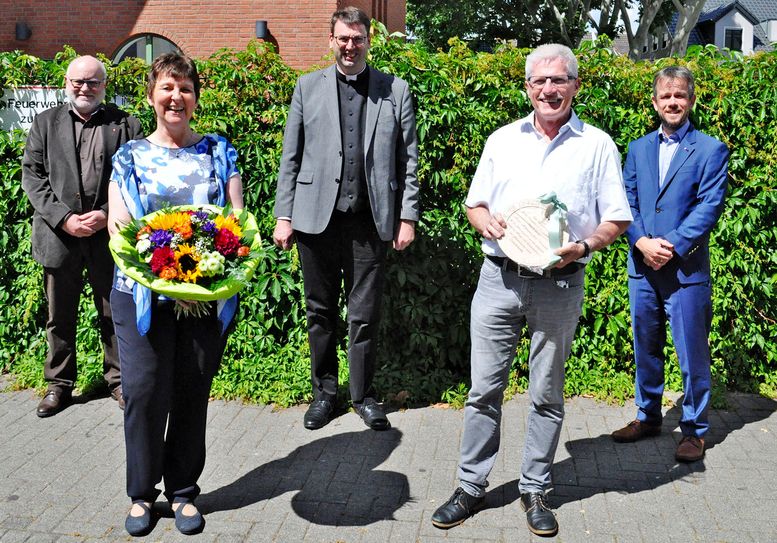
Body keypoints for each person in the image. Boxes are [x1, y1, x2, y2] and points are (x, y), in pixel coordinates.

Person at [431, 44, 632, 537]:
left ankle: (535, 487)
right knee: (483, 390)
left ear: (575, 86)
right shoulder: (502, 140)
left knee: (546, 391)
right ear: (527, 87)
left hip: (560, 281)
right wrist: (487, 221)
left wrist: (583, 246)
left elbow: (618, 219)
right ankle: (470, 485)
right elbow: (473, 204)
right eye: (540, 81)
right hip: (498, 279)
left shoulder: (597, 145)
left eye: (559, 80)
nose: (549, 89)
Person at [107, 53, 244, 536]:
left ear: (195, 98)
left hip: (205, 297)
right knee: (145, 392)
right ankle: (141, 495)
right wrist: (169, 282)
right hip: (140, 294)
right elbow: (119, 229)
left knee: (192, 392)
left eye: (185, 88)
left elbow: (236, 226)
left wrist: (199, 287)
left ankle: (183, 491)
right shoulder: (129, 156)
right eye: (167, 87)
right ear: (151, 95)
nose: (176, 97)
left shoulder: (219, 151)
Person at [272, 6, 419, 431]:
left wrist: (407, 217)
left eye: (358, 39)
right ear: (331, 40)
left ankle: (363, 395)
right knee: (319, 311)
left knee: (365, 314)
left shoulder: (396, 90)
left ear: (370, 41)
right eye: (343, 38)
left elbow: (408, 159)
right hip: (314, 220)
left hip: (371, 221)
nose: (350, 46)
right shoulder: (307, 87)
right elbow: (291, 157)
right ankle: (324, 393)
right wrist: (284, 216)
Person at [611, 67, 729, 463]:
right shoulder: (637, 148)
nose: (673, 102)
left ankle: (695, 430)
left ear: (691, 100)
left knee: (691, 352)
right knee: (646, 347)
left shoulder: (711, 150)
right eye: (666, 96)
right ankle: (648, 417)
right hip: (642, 267)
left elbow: (709, 206)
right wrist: (641, 241)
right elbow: (624, 200)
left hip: (685, 270)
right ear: (655, 101)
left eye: (680, 95)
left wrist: (672, 245)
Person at [21, 55, 143, 417]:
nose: (85, 88)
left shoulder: (126, 125)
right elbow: (33, 177)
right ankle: (59, 384)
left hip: (109, 237)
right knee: (60, 316)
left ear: (104, 86)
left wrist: (108, 214)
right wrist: (64, 219)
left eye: (93, 82)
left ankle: (119, 381)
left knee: (114, 312)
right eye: (78, 81)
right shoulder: (45, 123)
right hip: (59, 238)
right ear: (67, 83)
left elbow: (136, 177)